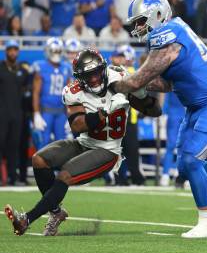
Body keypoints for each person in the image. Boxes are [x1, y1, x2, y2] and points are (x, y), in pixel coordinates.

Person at [111, 0, 207, 238]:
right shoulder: (170, 33)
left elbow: (139, 82)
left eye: (141, 21)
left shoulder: (167, 34)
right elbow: (164, 84)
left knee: (191, 160)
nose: (138, 28)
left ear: (157, 15)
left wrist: (118, 82)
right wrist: (129, 78)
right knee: (185, 167)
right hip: (197, 105)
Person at [4, 49, 161, 236]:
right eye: (88, 75)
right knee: (39, 159)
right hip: (85, 142)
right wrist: (105, 112)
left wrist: (143, 96)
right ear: (80, 77)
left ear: (103, 69)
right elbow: (78, 126)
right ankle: (56, 212)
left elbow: (155, 112)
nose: (94, 79)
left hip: (108, 150)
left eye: (96, 73)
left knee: (65, 174)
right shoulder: (74, 90)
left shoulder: (120, 78)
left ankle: (26, 219)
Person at [110, 45, 146, 186]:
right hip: (120, 117)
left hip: (128, 117)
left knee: (128, 151)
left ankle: (132, 178)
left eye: (120, 56)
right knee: (123, 151)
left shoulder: (129, 72)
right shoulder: (118, 72)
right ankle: (125, 178)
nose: (116, 59)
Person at [31, 38, 72, 151]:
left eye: (58, 51)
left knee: (62, 144)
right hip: (46, 111)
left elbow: (69, 95)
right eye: (54, 51)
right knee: (43, 143)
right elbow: (36, 93)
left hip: (61, 112)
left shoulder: (66, 68)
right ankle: (42, 169)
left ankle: (60, 169)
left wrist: (70, 115)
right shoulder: (41, 66)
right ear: (48, 51)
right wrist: (36, 113)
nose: (56, 54)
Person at [0, 40, 30, 185]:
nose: (13, 52)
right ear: (6, 51)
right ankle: (1, 177)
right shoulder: (0, 67)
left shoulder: (22, 70)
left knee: (14, 145)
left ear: (18, 52)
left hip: (17, 113)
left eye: (15, 50)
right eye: (10, 50)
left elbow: (28, 89)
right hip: (2, 113)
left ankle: (13, 177)